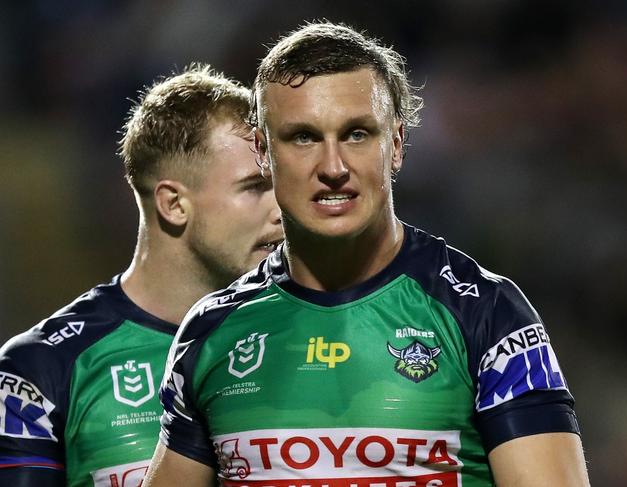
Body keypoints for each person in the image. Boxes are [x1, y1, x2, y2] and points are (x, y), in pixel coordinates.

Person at [144, 23, 590, 487]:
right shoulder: (211, 332)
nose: (333, 168)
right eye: (303, 137)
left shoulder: (485, 313)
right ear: (262, 152)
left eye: (357, 134)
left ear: (395, 145)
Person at [0, 64, 282, 487]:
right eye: (255, 187)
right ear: (174, 204)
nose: (281, 211)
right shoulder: (42, 368)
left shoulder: (302, 337)